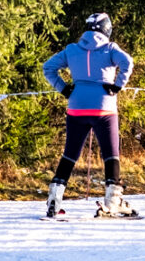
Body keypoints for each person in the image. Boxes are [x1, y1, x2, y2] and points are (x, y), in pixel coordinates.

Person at [42, 12, 134, 218]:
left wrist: (64, 89)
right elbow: (128, 62)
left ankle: (54, 201)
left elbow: (48, 68)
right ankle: (113, 201)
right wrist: (118, 85)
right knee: (111, 154)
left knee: (70, 154)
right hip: (104, 107)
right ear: (106, 29)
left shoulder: (72, 50)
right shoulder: (110, 48)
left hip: (77, 106)